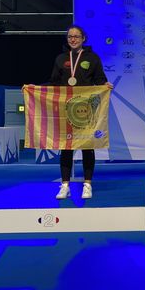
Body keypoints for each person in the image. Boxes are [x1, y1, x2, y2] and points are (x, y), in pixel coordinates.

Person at [50, 25, 113, 200]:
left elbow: (100, 80)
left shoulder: (92, 58)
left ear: (83, 38)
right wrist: (35, 88)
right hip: (66, 109)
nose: (73, 39)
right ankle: (64, 186)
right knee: (66, 148)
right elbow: (54, 83)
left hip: (85, 110)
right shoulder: (61, 58)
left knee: (87, 147)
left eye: (76, 36)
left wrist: (105, 86)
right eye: (70, 36)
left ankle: (87, 184)